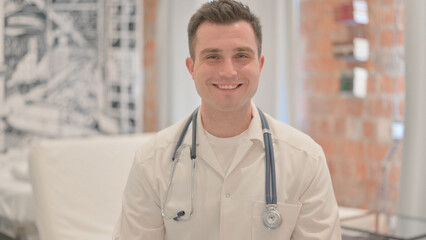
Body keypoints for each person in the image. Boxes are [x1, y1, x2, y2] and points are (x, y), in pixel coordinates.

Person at [113, 0, 342, 239]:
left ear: (260, 65)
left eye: (242, 55)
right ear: (191, 68)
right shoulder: (151, 162)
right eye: (212, 57)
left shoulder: (306, 160)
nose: (228, 71)